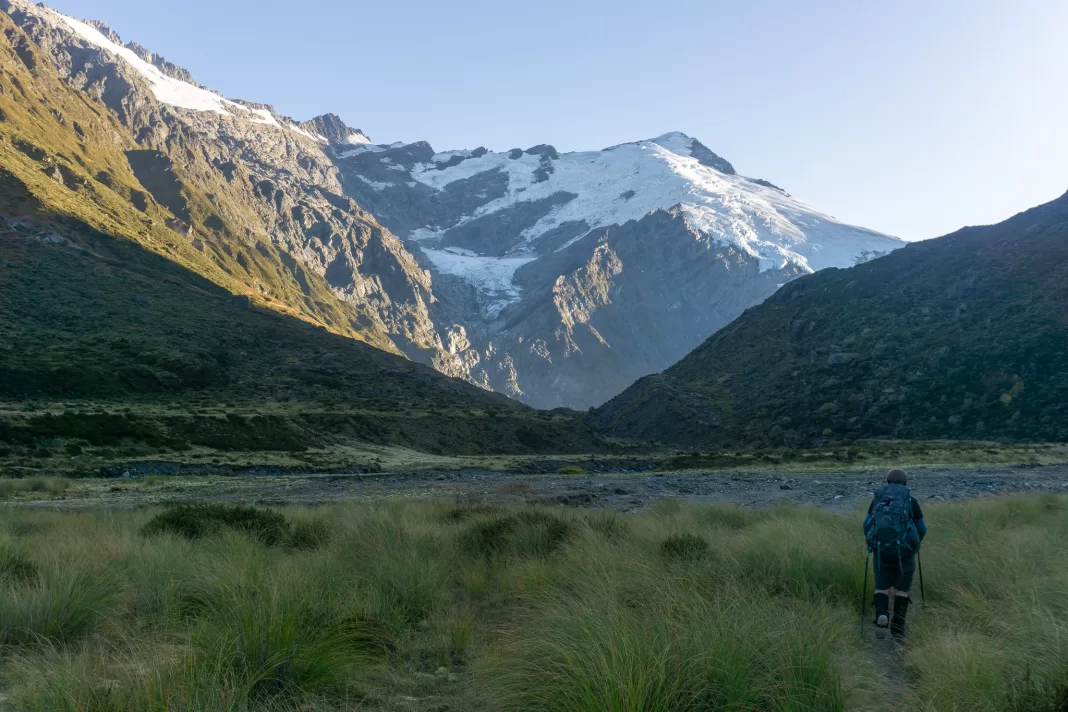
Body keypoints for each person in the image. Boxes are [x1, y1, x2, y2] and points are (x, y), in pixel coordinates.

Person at [863, 468, 926, 636]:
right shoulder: (911, 500)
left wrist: (871, 542)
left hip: (881, 551)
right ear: (906, 482)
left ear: (887, 482)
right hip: (905, 552)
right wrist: (914, 544)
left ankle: (882, 615)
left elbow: (866, 524)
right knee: (901, 590)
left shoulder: (877, 500)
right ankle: (898, 627)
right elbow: (922, 528)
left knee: (881, 588)